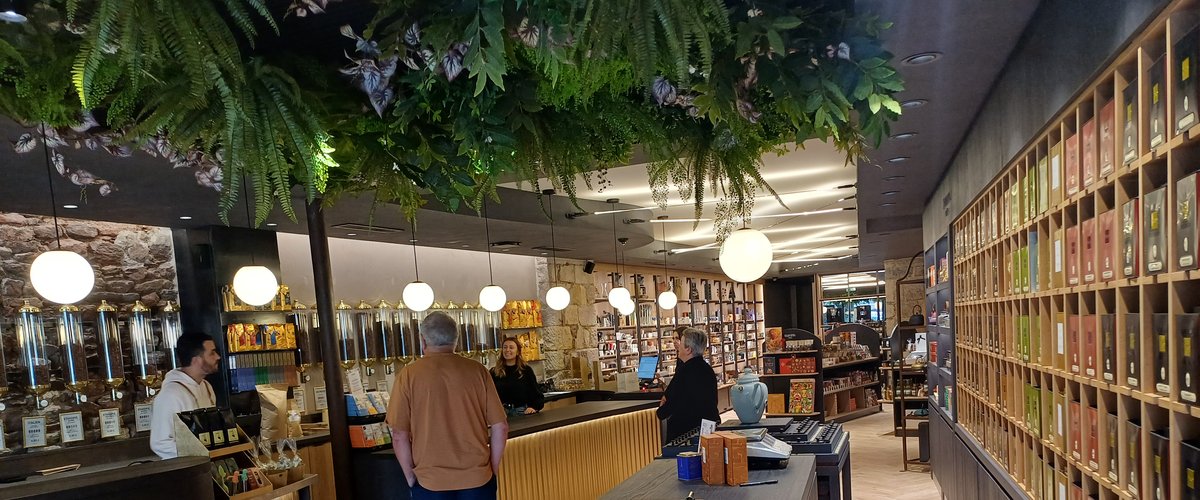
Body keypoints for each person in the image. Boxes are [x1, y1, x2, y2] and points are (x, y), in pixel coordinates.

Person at [387, 311, 509, 498]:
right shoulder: (478, 371)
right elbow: (500, 427)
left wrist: (410, 476)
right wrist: (492, 468)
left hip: (430, 480)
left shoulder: (408, 375)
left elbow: (398, 435)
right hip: (477, 478)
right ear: (456, 340)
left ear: (423, 340)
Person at [151, 332, 220, 459]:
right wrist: (198, 454)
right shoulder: (170, 395)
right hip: (187, 471)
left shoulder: (206, 386)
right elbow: (160, 443)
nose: (218, 357)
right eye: (212, 353)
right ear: (196, 360)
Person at [656, 327, 719, 443]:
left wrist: (660, 411)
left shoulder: (684, 371)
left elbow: (672, 402)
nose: (678, 346)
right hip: (708, 427)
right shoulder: (707, 369)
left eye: (681, 343)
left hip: (686, 433)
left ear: (688, 349)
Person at [490, 338, 545, 416]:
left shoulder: (525, 370)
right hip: (502, 414)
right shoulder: (494, 372)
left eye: (511, 347)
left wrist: (533, 407)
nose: (507, 350)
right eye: (505, 347)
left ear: (518, 352)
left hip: (522, 412)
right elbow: (490, 395)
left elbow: (536, 393)